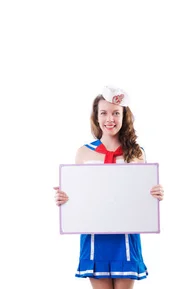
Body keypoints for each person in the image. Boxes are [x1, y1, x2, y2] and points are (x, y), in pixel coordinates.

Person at [54, 86, 165, 289]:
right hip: (94, 235)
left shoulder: (136, 153)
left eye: (116, 113)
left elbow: (140, 197)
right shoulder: (84, 153)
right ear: (96, 117)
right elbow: (81, 195)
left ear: (125, 117)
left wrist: (153, 195)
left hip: (126, 235)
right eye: (103, 113)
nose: (109, 119)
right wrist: (65, 198)